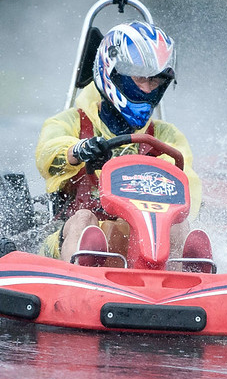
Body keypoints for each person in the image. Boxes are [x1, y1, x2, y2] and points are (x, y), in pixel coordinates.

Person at [35, 21, 202, 262]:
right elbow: (47, 155)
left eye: (154, 82)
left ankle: (186, 279)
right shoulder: (71, 121)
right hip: (69, 237)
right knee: (85, 221)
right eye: (140, 78)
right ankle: (81, 273)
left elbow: (188, 186)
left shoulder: (166, 135)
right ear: (114, 74)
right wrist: (79, 151)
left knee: (178, 226)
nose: (148, 89)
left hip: (142, 244)